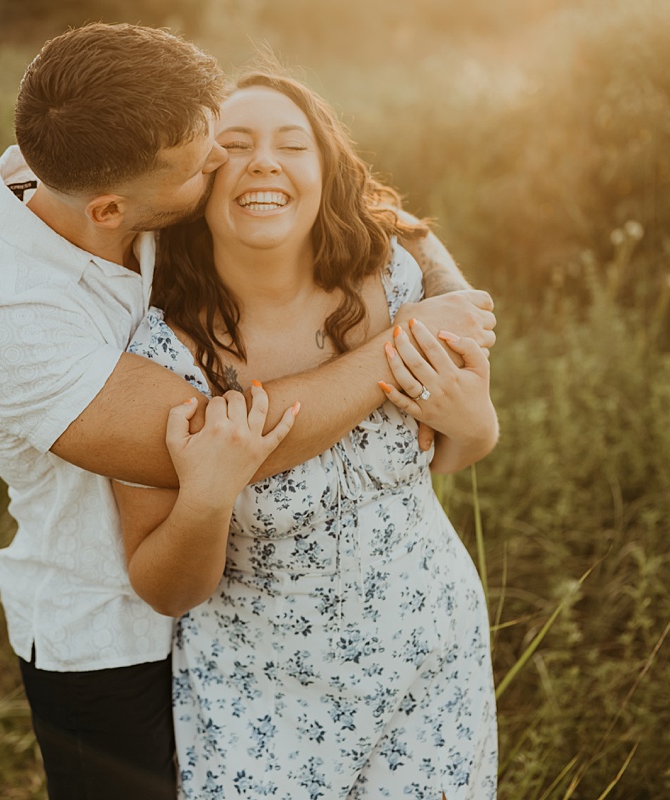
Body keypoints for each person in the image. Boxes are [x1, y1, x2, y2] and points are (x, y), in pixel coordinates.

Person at [0, 23, 496, 800]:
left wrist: (448, 295)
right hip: (112, 638)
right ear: (111, 210)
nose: (224, 161)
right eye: (208, 160)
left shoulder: (131, 158)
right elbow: (221, 444)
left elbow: (349, 196)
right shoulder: (4, 319)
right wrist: (404, 346)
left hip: (342, 635)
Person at [113, 71, 498, 799]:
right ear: (196, 184)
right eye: (234, 145)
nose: (264, 161)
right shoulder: (160, 358)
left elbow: (454, 451)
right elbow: (164, 588)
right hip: (266, 698)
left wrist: (476, 423)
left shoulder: (394, 284)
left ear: (325, 176)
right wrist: (206, 499)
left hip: (432, 660)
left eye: (292, 144)